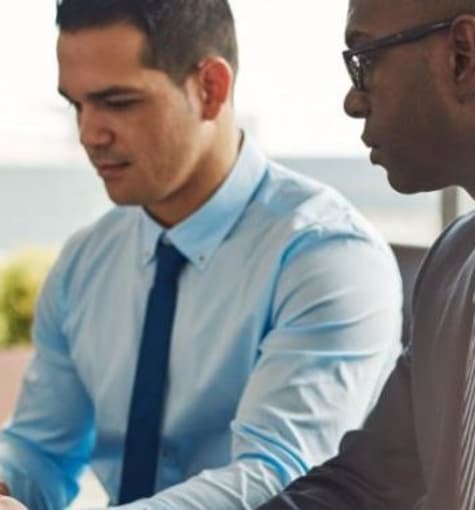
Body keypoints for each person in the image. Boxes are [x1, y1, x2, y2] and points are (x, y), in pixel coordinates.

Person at [0, 1, 403, 509]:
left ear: (211, 89)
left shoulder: (326, 257)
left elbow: (277, 481)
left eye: (118, 102)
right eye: (77, 105)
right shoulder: (85, 262)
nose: (88, 134)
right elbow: (40, 452)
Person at [257, 0, 475, 509]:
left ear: (463, 56)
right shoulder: (456, 267)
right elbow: (366, 484)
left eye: (364, 59)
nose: (353, 101)